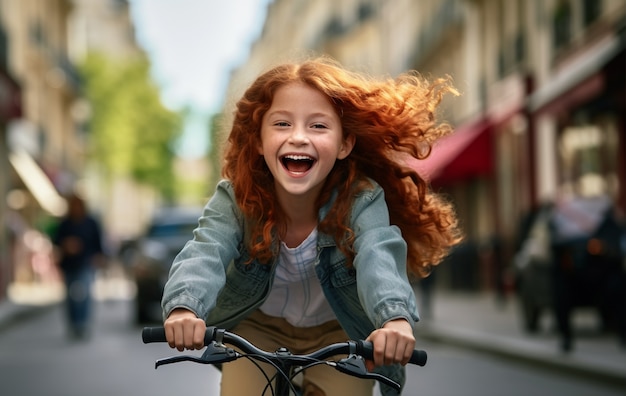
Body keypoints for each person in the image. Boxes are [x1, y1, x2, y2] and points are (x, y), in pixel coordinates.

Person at [161, 56, 462, 395]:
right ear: (259, 141)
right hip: (257, 329)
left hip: (338, 332)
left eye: (318, 126)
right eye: (281, 124)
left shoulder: (361, 199)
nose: (299, 138)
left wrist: (393, 320)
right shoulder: (236, 198)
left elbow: (379, 256)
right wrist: (185, 306)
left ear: (344, 144)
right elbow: (206, 249)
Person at [52, 193, 106, 339]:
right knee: (70, 297)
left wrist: (98, 257)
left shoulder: (90, 223)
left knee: (85, 295)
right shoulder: (65, 224)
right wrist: (67, 246)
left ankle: (83, 324)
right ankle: (74, 324)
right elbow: (57, 242)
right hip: (69, 265)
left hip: (86, 264)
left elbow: (98, 243)